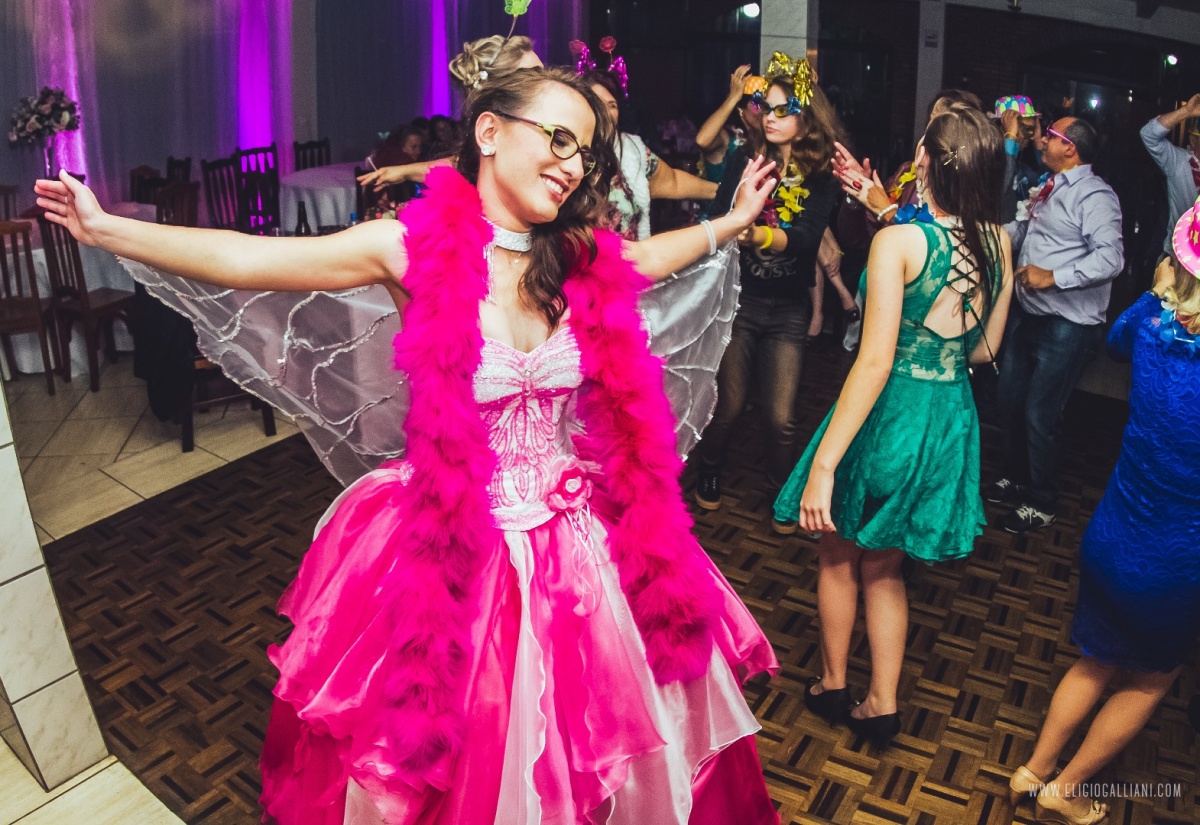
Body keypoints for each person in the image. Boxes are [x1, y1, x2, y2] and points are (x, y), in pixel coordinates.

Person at [36, 67, 783, 825]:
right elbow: (248, 259)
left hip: (580, 543)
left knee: (610, 737)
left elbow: (653, 259)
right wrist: (105, 229)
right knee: (472, 740)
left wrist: (731, 220)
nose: (573, 164)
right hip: (459, 537)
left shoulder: (577, 255)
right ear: (490, 131)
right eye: (559, 138)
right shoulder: (406, 248)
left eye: (585, 153)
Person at [774, 107, 1013, 747]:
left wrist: (824, 464)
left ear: (924, 160)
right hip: (950, 416)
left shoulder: (898, 242)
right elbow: (986, 350)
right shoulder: (998, 241)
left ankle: (832, 684)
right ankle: (882, 703)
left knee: (837, 551)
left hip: (891, 412)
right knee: (886, 564)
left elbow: (875, 361)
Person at [1009, 214, 1200, 825]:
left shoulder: (1150, 321)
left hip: (1112, 536)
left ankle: (1033, 770)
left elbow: (1115, 342)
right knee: (1151, 678)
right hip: (1175, 564)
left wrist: (1159, 290)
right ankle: (1065, 790)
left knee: (1095, 659)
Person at [692, 53, 844, 528]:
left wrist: (756, 232)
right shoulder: (746, 159)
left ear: (806, 117)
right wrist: (726, 224)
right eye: (767, 108)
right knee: (730, 405)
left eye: (784, 109)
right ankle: (709, 470)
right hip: (741, 301)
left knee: (781, 417)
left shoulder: (821, 176)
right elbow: (720, 213)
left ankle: (783, 494)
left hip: (788, 310)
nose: (771, 117)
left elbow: (806, 240)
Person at [987, 117, 1125, 533]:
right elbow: (1025, 232)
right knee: (1008, 401)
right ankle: (1016, 477)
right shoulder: (1049, 186)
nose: (1042, 139)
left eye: (1050, 135)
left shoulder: (1096, 195)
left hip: (1068, 325)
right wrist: (983, 235)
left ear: (1070, 148)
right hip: (1029, 315)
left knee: (1039, 414)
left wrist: (1052, 276)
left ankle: (1042, 500)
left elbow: (1111, 258)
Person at [357, 34, 544, 192]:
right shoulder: (508, 130)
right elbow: (467, 164)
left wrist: (405, 171)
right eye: (535, 74)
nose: (547, 80)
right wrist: (404, 171)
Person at [583, 70, 719, 241]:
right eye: (598, 104)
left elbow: (673, 182)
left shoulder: (631, 150)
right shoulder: (570, 154)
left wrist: (725, 192)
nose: (607, 112)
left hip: (630, 255)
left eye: (612, 105)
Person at [1140, 94, 1200, 257]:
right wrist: (1186, 112)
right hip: (1177, 257)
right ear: (1193, 141)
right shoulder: (1179, 162)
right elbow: (1148, 135)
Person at [995, 95, 1044, 223]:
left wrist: (1038, 143)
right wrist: (1010, 137)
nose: (1031, 136)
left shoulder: (1022, 161)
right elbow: (1002, 185)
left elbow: (1043, 181)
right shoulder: (988, 155)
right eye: (1026, 129)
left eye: (1033, 129)